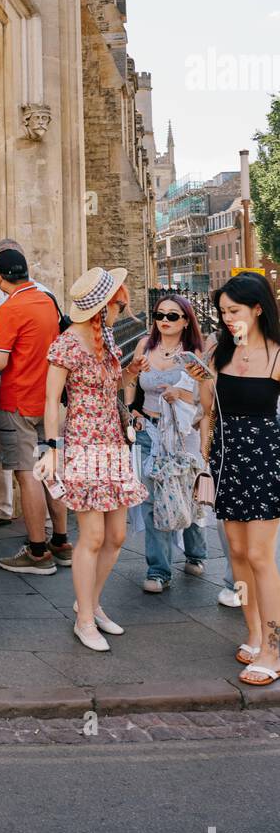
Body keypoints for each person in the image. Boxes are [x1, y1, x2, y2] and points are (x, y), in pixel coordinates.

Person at [40, 267, 147, 651]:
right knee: (94, 535)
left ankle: (91, 603)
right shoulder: (67, 343)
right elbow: (51, 399)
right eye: (120, 304)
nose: (122, 309)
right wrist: (52, 448)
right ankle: (84, 619)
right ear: (104, 306)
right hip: (84, 442)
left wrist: (131, 371)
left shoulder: (107, 340)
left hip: (113, 443)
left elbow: (112, 387)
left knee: (116, 536)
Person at [199, 273, 280, 687]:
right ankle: (252, 631)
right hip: (226, 460)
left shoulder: (278, 354)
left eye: (234, 311)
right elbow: (209, 411)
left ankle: (274, 645)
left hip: (266, 460)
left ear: (258, 308)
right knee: (236, 552)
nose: (227, 318)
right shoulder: (220, 352)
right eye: (223, 311)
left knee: (261, 555)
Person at [0, 247, 71, 575]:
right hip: (47, 399)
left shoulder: (10, 308)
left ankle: (36, 552)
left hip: (18, 400)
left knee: (27, 474)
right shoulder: (47, 300)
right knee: (50, 470)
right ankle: (60, 542)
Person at [123, 295, 208, 594]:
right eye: (160, 314)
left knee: (189, 495)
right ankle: (158, 571)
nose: (165, 320)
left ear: (186, 320)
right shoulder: (144, 345)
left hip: (184, 435)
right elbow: (129, 380)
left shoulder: (195, 352)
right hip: (149, 431)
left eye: (173, 316)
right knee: (151, 501)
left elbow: (205, 399)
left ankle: (196, 552)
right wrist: (132, 406)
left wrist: (180, 393)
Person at [0, 239, 52, 528]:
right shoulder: (1, 297)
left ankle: (38, 535)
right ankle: (3, 507)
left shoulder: (32, 297)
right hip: (27, 386)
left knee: (26, 467)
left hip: (19, 386)